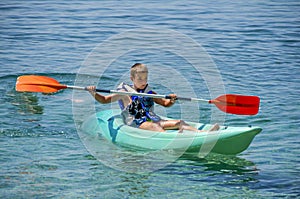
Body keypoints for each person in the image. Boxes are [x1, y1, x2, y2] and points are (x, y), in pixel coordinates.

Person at [87, 63, 219, 133]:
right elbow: (104, 100)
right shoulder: (124, 92)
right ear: (132, 78)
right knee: (156, 128)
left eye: (145, 78)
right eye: (140, 79)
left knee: (179, 122)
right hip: (136, 123)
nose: (143, 81)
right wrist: (94, 93)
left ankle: (203, 134)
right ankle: (176, 140)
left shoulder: (150, 92)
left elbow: (165, 104)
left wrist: (172, 100)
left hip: (154, 119)